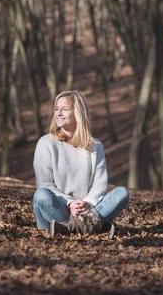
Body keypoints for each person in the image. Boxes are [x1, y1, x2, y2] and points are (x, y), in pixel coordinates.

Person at [33, 90, 129, 236]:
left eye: (64, 109)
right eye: (56, 109)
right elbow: (45, 184)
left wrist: (88, 204)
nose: (58, 113)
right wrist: (70, 203)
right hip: (59, 209)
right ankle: (94, 226)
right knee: (41, 196)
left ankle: (70, 228)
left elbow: (100, 184)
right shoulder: (46, 143)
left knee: (121, 193)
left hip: (87, 210)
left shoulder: (95, 146)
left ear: (78, 113)